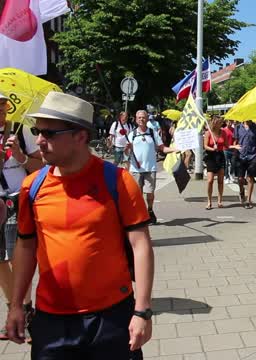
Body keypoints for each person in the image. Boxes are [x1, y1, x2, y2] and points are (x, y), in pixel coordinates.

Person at [6, 92, 154, 359]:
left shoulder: (118, 181)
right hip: (51, 321)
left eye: (49, 133)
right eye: (37, 130)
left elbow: (141, 245)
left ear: (81, 136)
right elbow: (26, 246)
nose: (39, 140)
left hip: (111, 317)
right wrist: (17, 305)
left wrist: (142, 311)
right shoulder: (32, 187)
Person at [0, 92, 43, 342]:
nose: (2, 110)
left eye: (4, 105)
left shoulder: (20, 130)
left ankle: (25, 310)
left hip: (17, 199)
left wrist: (21, 156)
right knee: (0, 260)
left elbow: (41, 165)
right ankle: (12, 308)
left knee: (18, 258)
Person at [126, 110, 178, 224]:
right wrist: (127, 148)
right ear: (136, 119)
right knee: (137, 194)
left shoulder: (152, 133)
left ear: (147, 119)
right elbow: (126, 154)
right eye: (139, 117)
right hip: (136, 169)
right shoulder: (132, 134)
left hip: (150, 168)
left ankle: (150, 210)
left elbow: (162, 148)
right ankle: (140, 214)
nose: (141, 119)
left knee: (150, 193)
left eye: (143, 117)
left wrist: (175, 149)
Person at [204, 116, 232, 209]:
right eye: (220, 122)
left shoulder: (223, 132)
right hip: (211, 157)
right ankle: (209, 201)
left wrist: (233, 146)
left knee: (220, 181)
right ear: (215, 123)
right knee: (210, 181)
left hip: (220, 156)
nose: (221, 124)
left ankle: (220, 201)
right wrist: (212, 148)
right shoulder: (209, 133)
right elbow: (205, 146)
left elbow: (227, 145)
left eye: (221, 122)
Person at [234, 120, 256, 209]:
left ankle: (248, 200)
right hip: (240, 156)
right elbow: (236, 141)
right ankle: (241, 191)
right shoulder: (238, 127)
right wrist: (235, 151)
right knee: (240, 178)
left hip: (252, 156)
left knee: (250, 178)